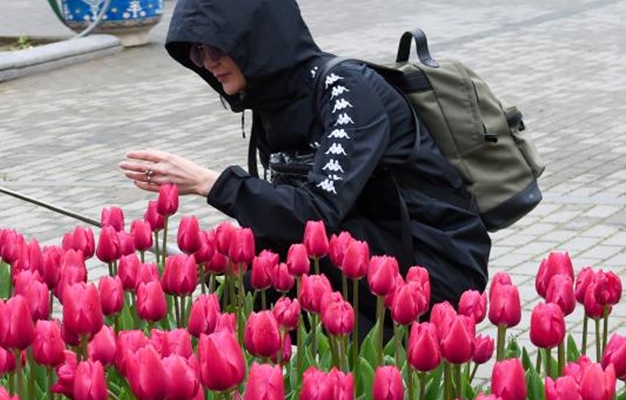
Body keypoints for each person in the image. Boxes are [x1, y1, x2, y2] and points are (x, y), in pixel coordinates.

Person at [119, 0, 492, 328]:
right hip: (363, 252)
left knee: (263, 287)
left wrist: (211, 183)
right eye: (198, 52)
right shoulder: (271, 101)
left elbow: (316, 216)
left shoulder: (346, 88)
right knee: (229, 298)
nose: (209, 62)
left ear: (256, 37)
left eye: (216, 46)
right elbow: (292, 216)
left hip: (432, 264)